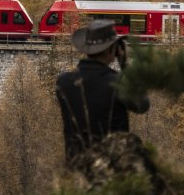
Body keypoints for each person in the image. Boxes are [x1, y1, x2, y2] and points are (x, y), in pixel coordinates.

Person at [55, 20, 149, 158]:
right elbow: (142, 105)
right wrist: (124, 64)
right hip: (113, 171)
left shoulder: (63, 82)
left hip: (76, 171)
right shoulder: (118, 83)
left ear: (86, 49)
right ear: (113, 50)